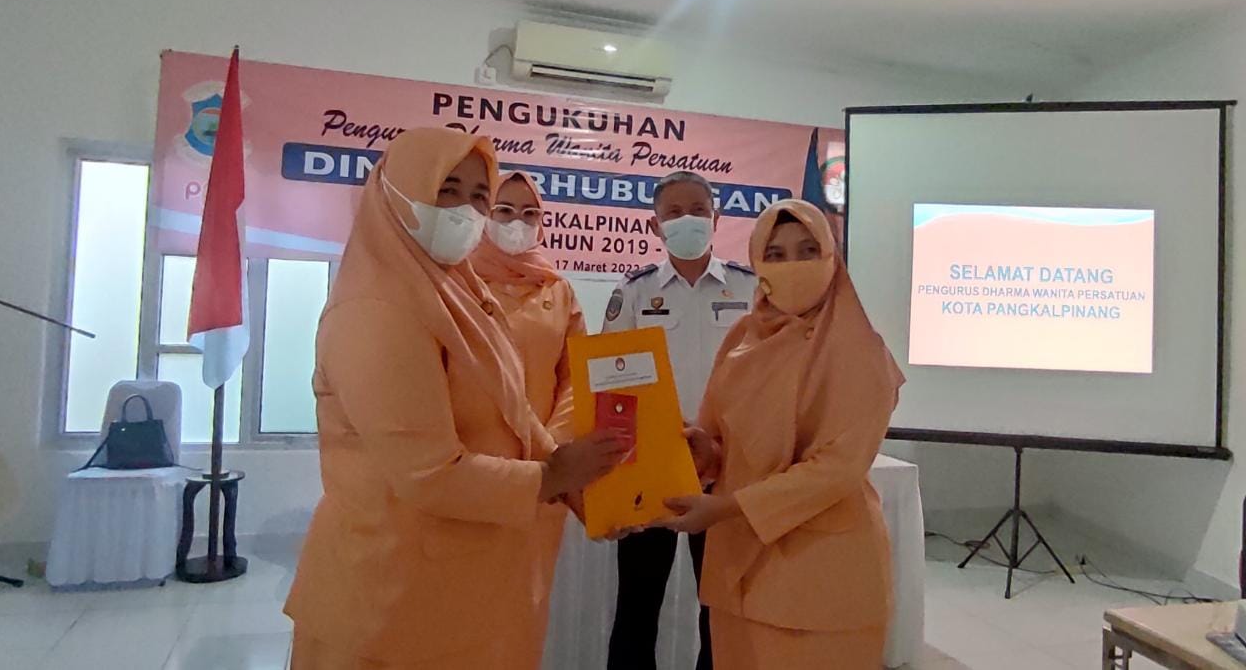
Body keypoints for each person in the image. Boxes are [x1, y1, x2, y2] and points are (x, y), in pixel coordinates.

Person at [284, 127, 625, 670]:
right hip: (389, 594)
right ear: (397, 190)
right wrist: (555, 477)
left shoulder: (460, 294)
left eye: (478, 196)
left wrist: (576, 485)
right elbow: (429, 473)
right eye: (447, 190)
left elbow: (516, 409)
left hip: (470, 574)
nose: (466, 210)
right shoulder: (375, 310)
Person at [658, 199, 904, 670]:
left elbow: (836, 469)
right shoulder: (742, 338)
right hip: (739, 569)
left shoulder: (860, 350)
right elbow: (721, 437)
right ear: (757, 263)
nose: (793, 266)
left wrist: (728, 507)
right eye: (776, 254)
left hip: (820, 574)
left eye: (808, 250)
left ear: (832, 256)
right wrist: (702, 451)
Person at [603, 170, 758, 670]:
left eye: (697, 210)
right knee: (638, 601)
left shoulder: (751, 288)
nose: (686, 219)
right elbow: (612, 382)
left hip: (727, 466)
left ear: (716, 219)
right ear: (655, 226)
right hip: (652, 466)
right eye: (673, 212)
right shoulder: (634, 291)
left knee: (719, 607)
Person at [469, 170, 587, 645]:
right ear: (484, 216)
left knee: (522, 607)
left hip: (544, 473)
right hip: (471, 468)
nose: (517, 222)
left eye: (529, 213)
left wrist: (551, 449)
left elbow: (576, 375)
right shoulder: (457, 281)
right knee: (462, 603)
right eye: (504, 211)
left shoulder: (558, 291)